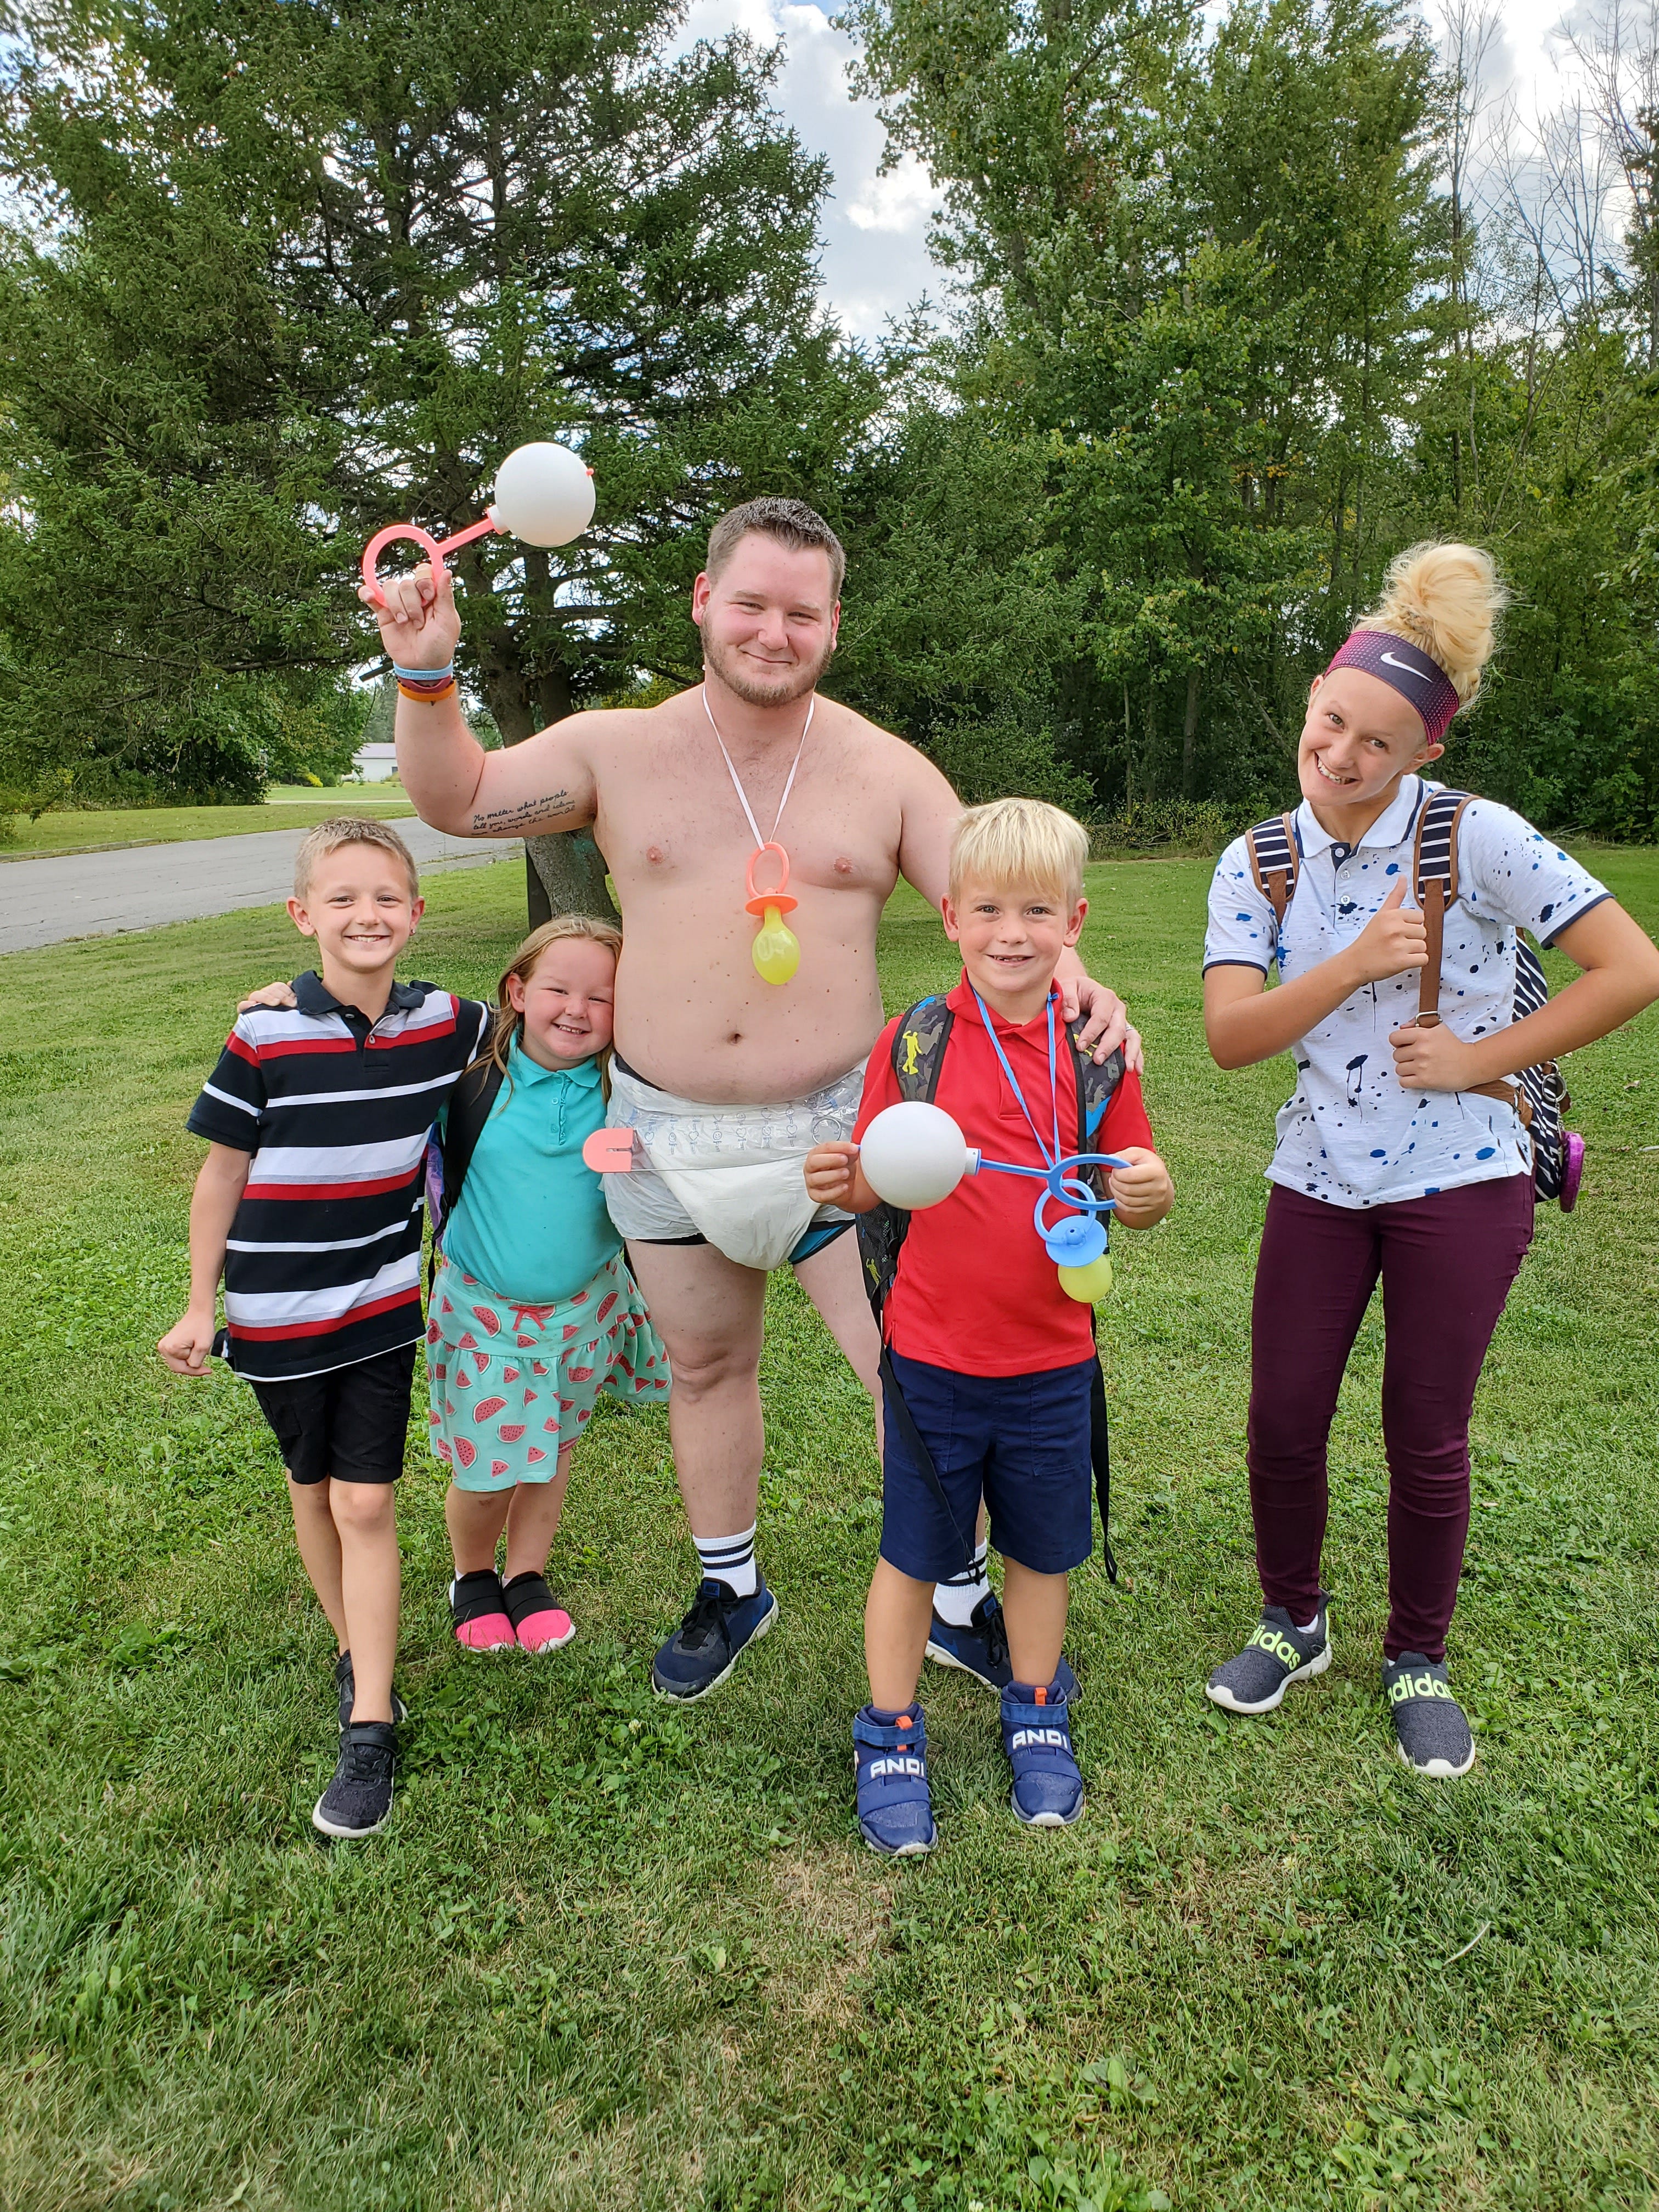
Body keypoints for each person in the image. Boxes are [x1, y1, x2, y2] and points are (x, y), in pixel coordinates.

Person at [367, 495, 1136, 1702]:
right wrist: (425, 677)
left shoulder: (885, 771)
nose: (774, 632)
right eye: (752, 604)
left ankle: (960, 1597)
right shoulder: (615, 749)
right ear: (702, 602)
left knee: (907, 1368)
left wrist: (1077, 977)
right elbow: (459, 797)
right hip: (668, 1136)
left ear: (833, 624)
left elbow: (994, 897)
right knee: (707, 1368)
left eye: (802, 612)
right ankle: (731, 1586)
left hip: (846, 1133)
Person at [1200, 543, 1659, 1776]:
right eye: (1331, 722)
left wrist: (1476, 1058)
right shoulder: (1257, 861)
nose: (1342, 756)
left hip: (1462, 1181)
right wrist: (1349, 966)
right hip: (1317, 1178)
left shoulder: (1480, 836)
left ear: (1425, 755)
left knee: (1425, 1428)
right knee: (1283, 1416)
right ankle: (1293, 1622)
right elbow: (1232, 1036)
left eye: (1378, 742)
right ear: (1312, 698)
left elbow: (1634, 969)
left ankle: (1418, 1657)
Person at [804, 800, 1173, 1854]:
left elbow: (1135, 1183)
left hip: (1054, 1360)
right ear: (952, 918)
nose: (1012, 932)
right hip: (929, 1358)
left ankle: (1035, 1708)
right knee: (913, 1553)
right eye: (988, 910)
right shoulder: (914, 1043)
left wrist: (1149, 1195)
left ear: (1075, 920)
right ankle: (889, 1730)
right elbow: (879, 1186)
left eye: (1037, 911)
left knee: (1042, 1554)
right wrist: (846, 1181)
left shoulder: (1098, 1050)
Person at [157, 819, 491, 1839]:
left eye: (387, 897)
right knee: (312, 1488)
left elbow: (544, 1008)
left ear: (417, 914)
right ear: (303, 916)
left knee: (367, 1501)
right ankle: (355, 1641)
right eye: (341, 899)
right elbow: (221, 1176)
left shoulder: (448, 1022)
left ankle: (371, 1723)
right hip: (273, 1311)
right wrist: (196, 1303)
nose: (366, 916)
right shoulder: (263, 1033)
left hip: (385, 1303)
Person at [428, 916, 669, 1655]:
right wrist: (288, 1005)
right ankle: (473, 1575)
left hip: (586, 1313)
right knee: (486, 1470)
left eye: (602, 998)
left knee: (552, 1450)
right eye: (558, 989)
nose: (577, 1010)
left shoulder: (629, 1088)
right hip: (485, 1317)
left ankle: (527, 1574)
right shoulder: (466, 1080)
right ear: (517, 991)